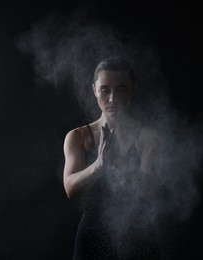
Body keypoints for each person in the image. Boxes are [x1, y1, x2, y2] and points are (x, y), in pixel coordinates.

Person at [62, 57, 164, 259]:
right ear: (94, 90)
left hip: (138, 235)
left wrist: (123, 169)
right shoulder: (78, 136)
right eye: (105, 89)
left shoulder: (149, 137)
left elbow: (151, 189)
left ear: (132, 89)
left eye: (121, 89)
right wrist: (99, 165)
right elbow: (70, 188)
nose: (112, 98)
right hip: (92, 237)